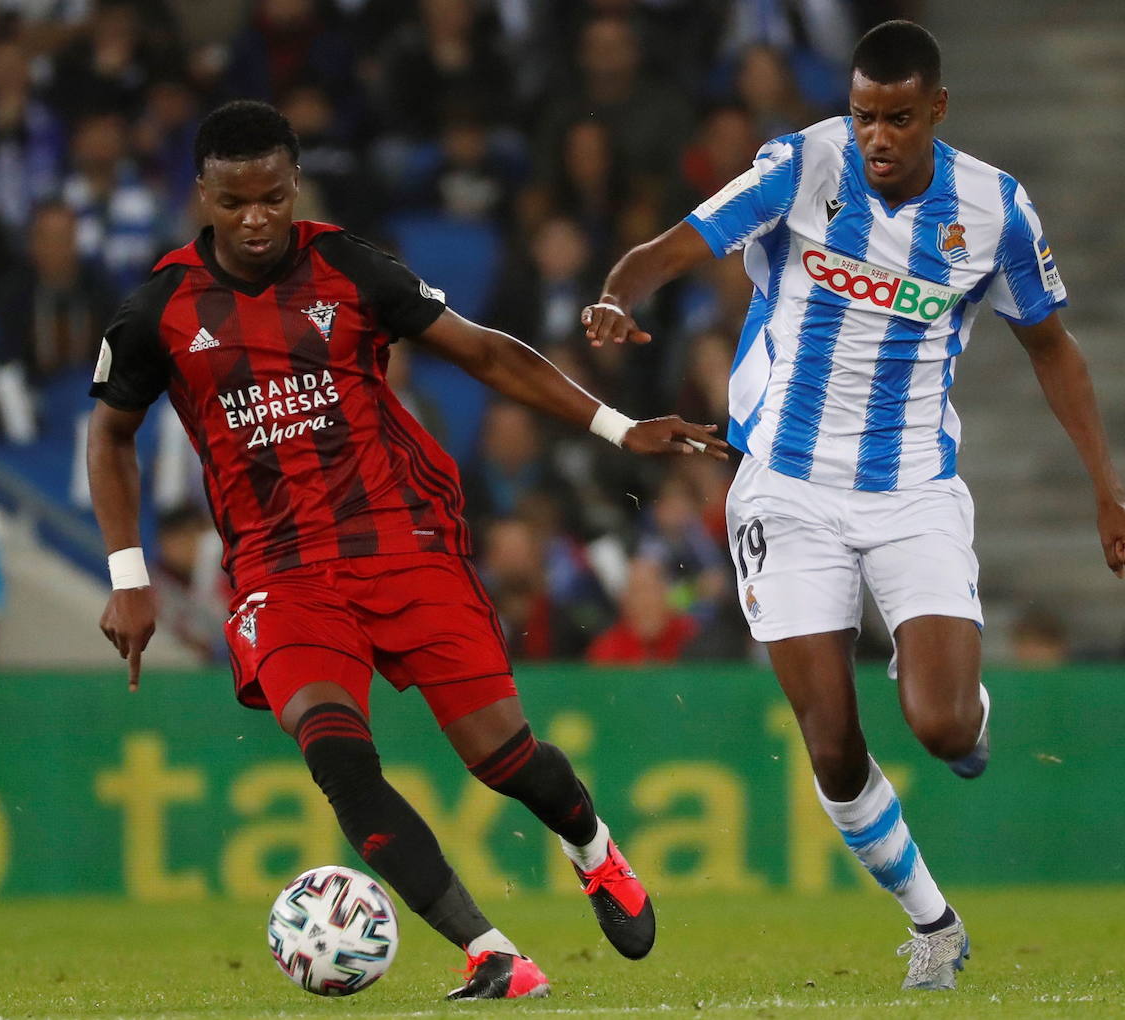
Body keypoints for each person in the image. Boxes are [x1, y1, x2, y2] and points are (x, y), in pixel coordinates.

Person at [87, 100, 726, 1001]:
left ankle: (594, 848)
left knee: (503, 762)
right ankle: (492, 954)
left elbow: (486, 355)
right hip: (281, 572)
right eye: (235, 203)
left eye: (272, 196)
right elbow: (108, 437)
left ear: (295, 184)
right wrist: (129, 576)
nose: (257, 218)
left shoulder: (349, 268)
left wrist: (620, 429)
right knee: (339, 759)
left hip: (401, 544)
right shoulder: (156, 308)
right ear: (204, 195)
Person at [581, 20, 1125, 991]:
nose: (876, 137)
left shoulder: (995, 209)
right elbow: (672, 245)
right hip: (786, 491)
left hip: (912, 493)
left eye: (895, 118)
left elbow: (1051, 347)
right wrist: (614, 295)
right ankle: (933, 923)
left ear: (936, 110)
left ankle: (965, 708)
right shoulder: (802, 166)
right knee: (833, 743)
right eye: (862, 115)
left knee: (940, 729)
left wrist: (1107, 490)